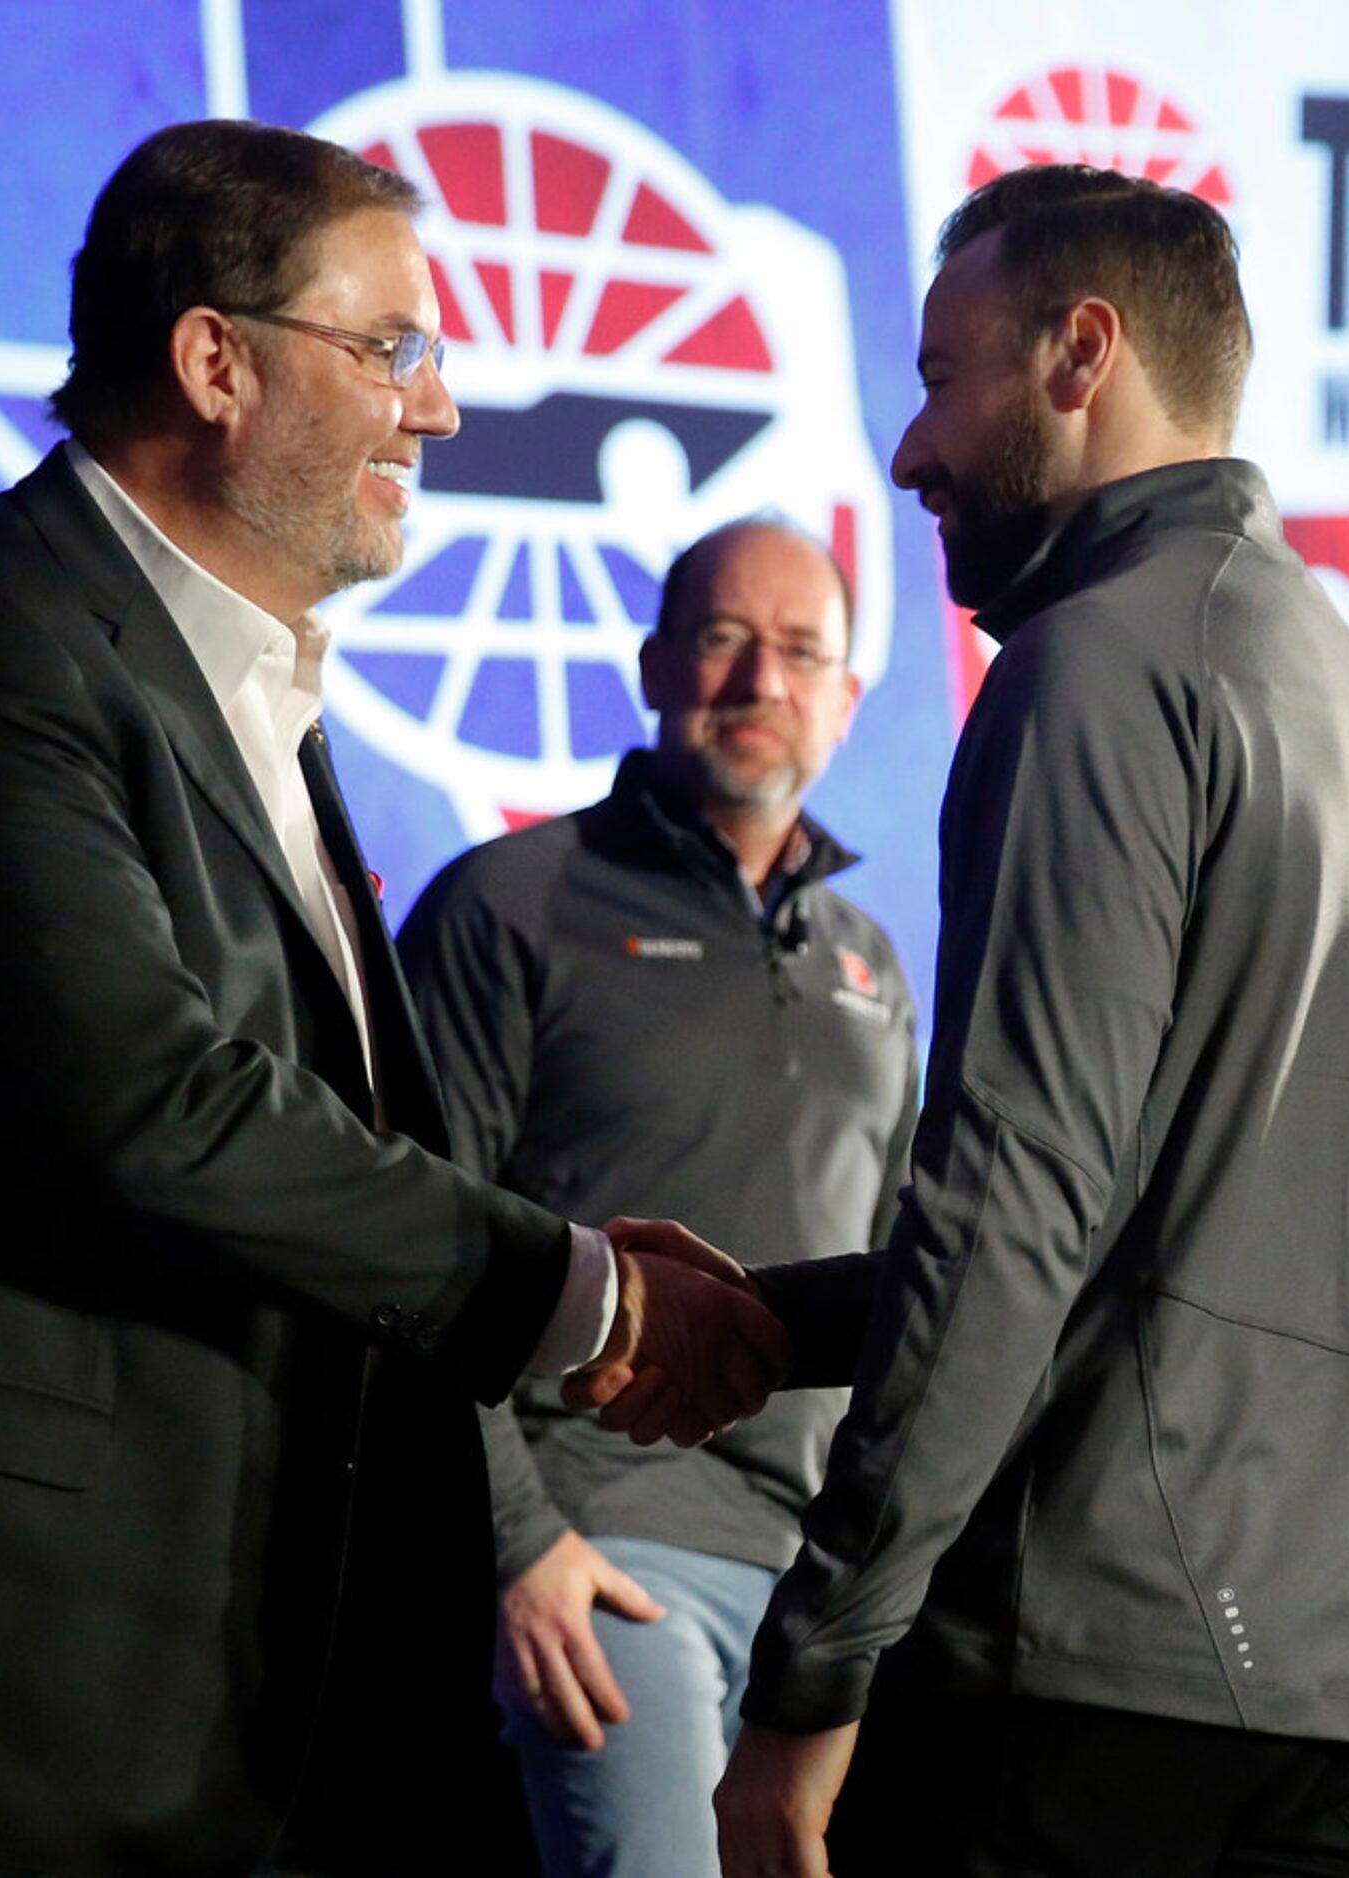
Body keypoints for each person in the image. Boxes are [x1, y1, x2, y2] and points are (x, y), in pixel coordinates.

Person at [0, 119, 784, 1878]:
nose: (438, 410)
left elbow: (334, 1134)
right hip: (5, 1683)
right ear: (214, 361)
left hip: (231, 1683)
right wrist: (579, 1294)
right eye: (391, 350)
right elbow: (152, 1098)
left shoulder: (252, 685)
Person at [696, 165, 1349, 1877]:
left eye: (938, 375)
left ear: (1081, 354)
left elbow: (1018, 1208)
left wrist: (814, 1664)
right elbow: (1183, 1223)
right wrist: (772, 1319)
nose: (910, 451)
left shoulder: (1099, 663)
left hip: (1105, 1673)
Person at [397, 518, 919, 1878]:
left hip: (818, 1596)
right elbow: (405, 1249)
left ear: (848, 698)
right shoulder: (509, 905)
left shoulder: (873, 968)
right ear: (651, 663)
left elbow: (912, 1285)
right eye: (723, 639)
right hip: (607, 1546)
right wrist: (521, 1543)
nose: (761, 680)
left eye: (802, 651)